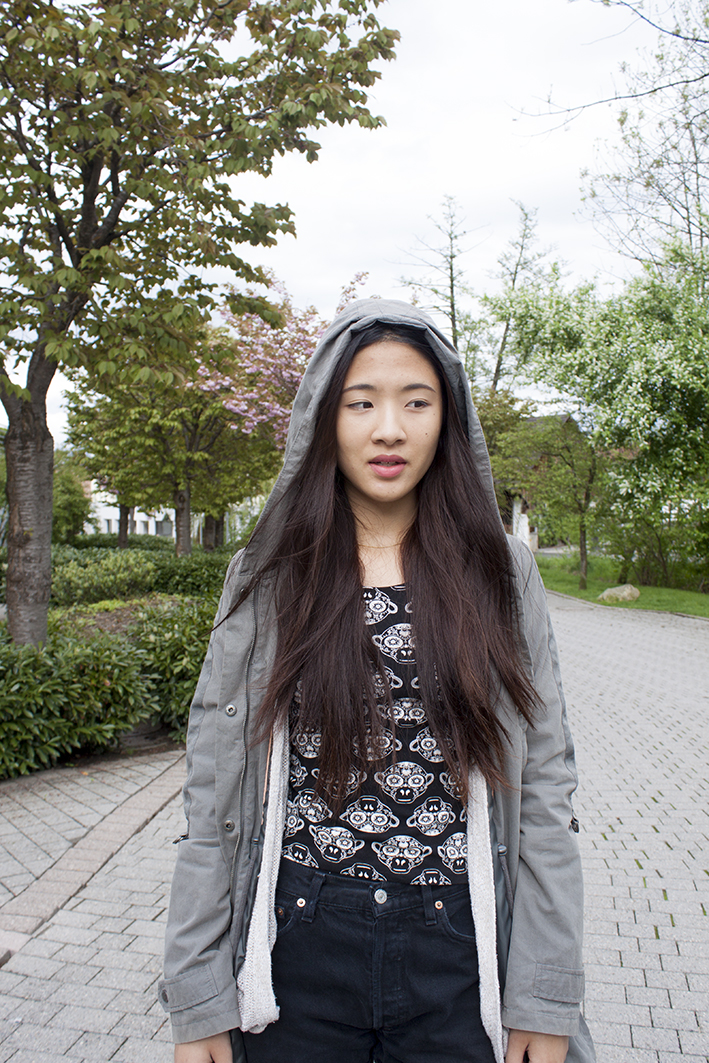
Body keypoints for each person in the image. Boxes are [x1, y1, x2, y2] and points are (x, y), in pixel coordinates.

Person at [159, 299, 595, 1063]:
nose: (388, 428)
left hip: (456, 950)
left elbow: (545, 791)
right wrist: (196, 998)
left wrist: (544, 992)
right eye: (360, 403)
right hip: (298, 945)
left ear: (447, 419)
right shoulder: (270, 574)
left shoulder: (500, 571)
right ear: (323, 419)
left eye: (415, 402)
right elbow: (213, 793)